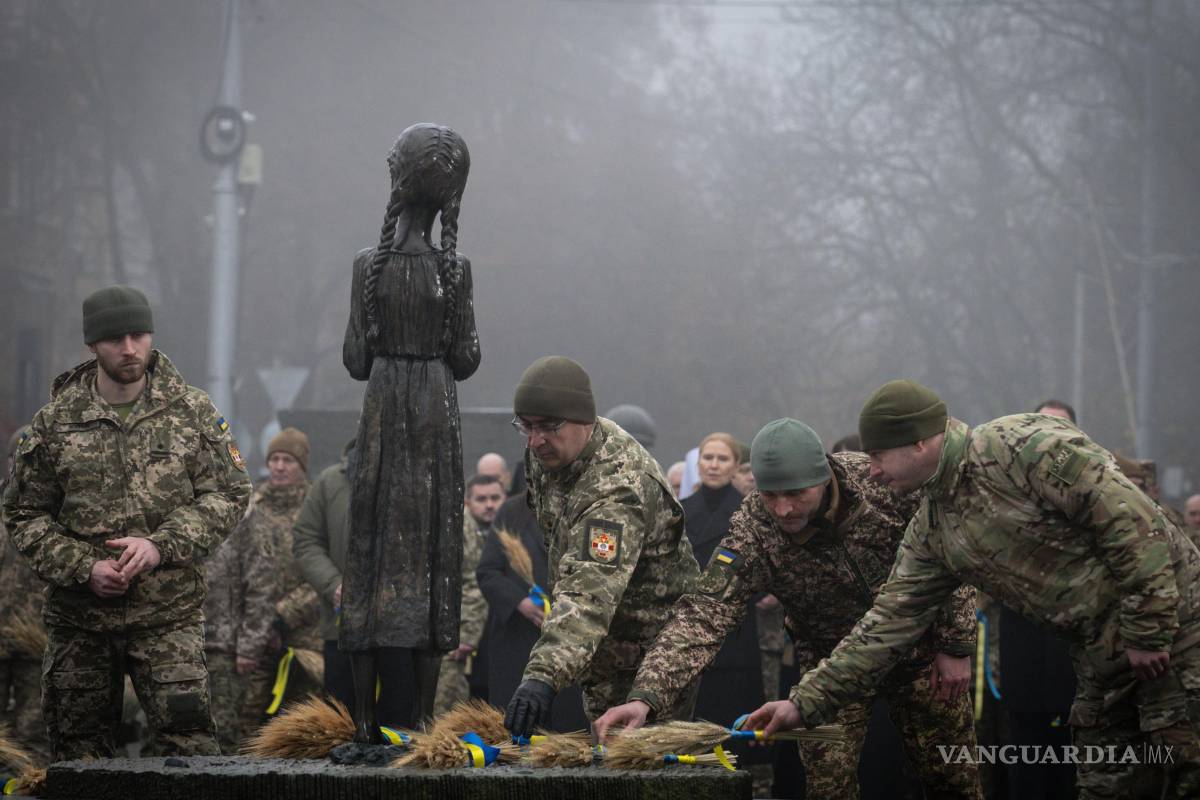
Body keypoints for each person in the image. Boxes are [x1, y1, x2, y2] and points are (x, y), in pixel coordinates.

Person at [766, 379, 1200, 800]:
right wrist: (802, 704)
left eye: (878, 455)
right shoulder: (933, 528)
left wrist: (1148, 629)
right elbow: (886, 624)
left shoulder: (1020, 444)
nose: (872, 470)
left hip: (1178, 630)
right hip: (1100, 656)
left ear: (920, 443)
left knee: (1187, 768)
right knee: (1107, 784)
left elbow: (1131, 523)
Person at [596, 418, 982, 799]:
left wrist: (955, 644)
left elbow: (947, 548)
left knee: (953, 779)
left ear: (824, 477)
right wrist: (645, 697)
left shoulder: (878, 483)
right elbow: (704, 613)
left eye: (796, 494)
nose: (783, 509)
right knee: (828, 787)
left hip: (921, 653)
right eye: (771, 495)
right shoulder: (753, 526)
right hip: (829, 668)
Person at [2, 285, 251, 760]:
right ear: (92, 345)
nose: (130, 348)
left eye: (139, 335)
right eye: (116, 339)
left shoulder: (191, 412)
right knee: (80, 760)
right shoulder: (55, 423)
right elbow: (23, 512)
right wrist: (84, 567)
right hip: (81, 623)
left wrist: (161, 545)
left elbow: (231, 493)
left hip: (168, 618)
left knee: (190, 754)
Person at [340, 124, 480, 739]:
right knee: (434, 556)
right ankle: (424, 720)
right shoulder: (456, 270)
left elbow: (355, 360)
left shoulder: (368, 266)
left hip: (382, 416)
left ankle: (365, 722)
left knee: (368, 550)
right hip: (434, 419)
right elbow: (467, 358)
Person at [502, 356, 700, 738]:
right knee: (603, 754)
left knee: (643, 762)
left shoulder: (618, 488)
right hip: (602, 648)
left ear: (583, 420)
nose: (535, 440)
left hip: (652, 658)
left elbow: (590, 591)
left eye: (548, 426)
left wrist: (543, 676)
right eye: (526, 426)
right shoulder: (547, 454)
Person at [292, 440, 416, 727]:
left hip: (400, 625)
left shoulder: (410, 482)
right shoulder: (329, 483)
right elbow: (306, 540)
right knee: (343, 718)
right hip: (342, 625)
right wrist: (334, 585)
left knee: (399, 718)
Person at [680, 433, 765, 771]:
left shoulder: (751, 511)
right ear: (698, 462)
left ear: (735, 466)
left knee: (731, 729)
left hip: (736, 634)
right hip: (689, 630)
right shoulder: (681, 511)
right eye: (708, 458)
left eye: (722, 459)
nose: (714, 465)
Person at [237, 428, 320, 740]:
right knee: (245, 723)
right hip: (254, 638)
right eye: (274, 459)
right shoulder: (251, 507)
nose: (279, 467)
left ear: (302, 465)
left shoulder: (316, 508)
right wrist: (257, 624)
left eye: (288, 460)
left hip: (304, 643)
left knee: (298, 727)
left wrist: (280, 617)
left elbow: (326, 574)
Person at [433, 473, 500, 714]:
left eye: (495, 498)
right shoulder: (460, 531)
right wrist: (465, 636)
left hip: (490, 636)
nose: (489, 504)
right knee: (449, 703)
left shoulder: (502, 530)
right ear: (468, 502)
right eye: (481, 499)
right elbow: (472, 587)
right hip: (458, 636)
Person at [0, 426, 48, 759]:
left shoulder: (58, 512)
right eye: (18, 458)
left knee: (35, 732)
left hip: (38, 640)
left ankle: (31, 783)